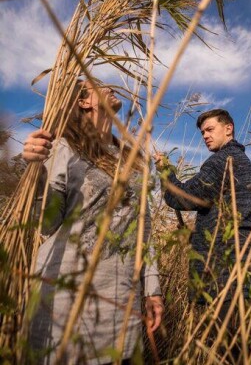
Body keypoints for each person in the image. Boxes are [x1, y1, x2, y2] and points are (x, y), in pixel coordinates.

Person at [23, 80, 163, 364]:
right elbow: (48, 224)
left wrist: (152, 289)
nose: (110, 87)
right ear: (83, 102)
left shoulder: (133, 158)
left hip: (119, 300)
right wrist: (35, 171)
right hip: (65, 297)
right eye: (98, 85)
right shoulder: (62, 148)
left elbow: (143, 230)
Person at [155, 109, 251, 356]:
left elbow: (180, 197)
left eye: (210, 129)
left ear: (228, 129)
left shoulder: (222, 160)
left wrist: (164, 170)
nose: (205, 135)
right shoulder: (240, 162)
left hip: (225, 274)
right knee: (242, 347)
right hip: (241, 269)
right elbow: (231, 217)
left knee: (231, 349)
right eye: (202, 132)